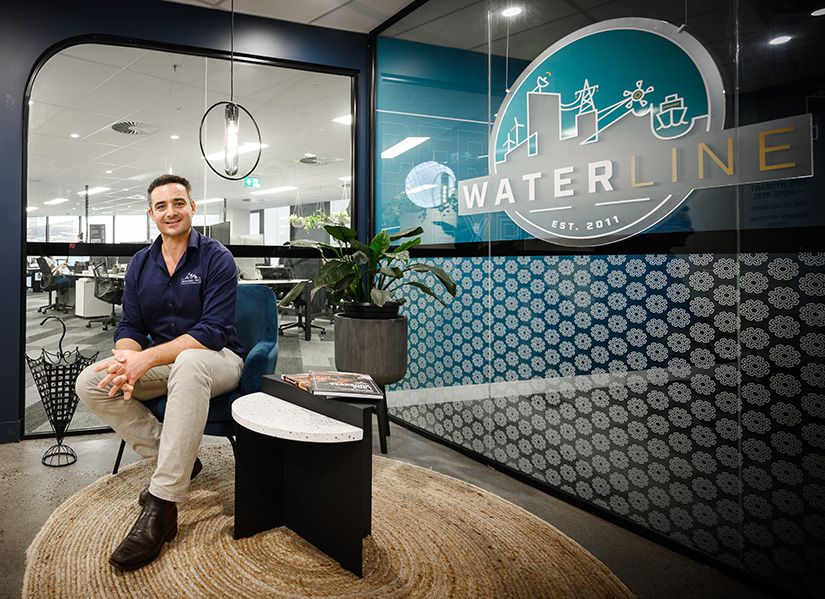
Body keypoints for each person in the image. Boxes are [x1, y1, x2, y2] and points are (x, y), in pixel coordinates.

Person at [75, 174, 244, 571]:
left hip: (218, 359)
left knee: (187, 361)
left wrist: (146, 360)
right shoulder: (140, 263)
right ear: (151, 214)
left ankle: (163, 502)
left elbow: (212, 331)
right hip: (168, 363)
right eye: (162, 206)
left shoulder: (216, 257)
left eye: (179, 203)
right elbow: (130, 326)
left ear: (192, 207)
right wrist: (126, 359)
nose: (172, 211)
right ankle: (182, 459)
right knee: (92, 381)